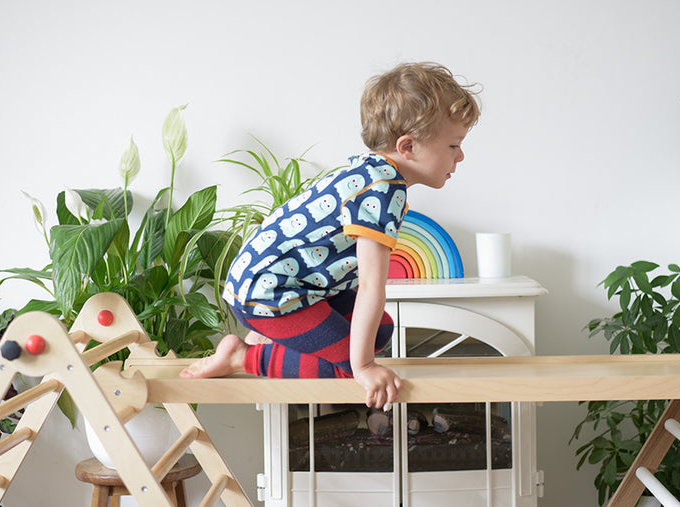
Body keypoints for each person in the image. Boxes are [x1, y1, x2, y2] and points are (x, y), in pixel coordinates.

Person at [181, 62, 480, 411]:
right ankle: (242, 358)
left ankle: (265, 336)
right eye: (453, 145)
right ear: (408, 146)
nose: (460, 156)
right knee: (349, 370)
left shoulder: (368, 172)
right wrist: (364, 367)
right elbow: (371, 286)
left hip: (271, 283)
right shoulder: (383, 191)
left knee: (379, 330)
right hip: (269, 294)